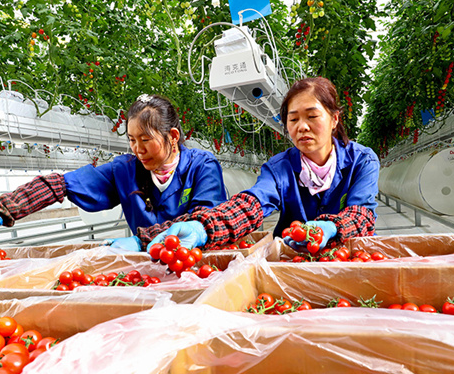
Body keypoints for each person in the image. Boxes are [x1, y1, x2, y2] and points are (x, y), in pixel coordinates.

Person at [0, 94, 228, 253]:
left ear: (173, 136)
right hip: (151, 273)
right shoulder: (126, 170)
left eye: (145, 140)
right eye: (132, 140)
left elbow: (204, 221)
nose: (138, 149)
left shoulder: (202, 166)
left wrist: (140, 241)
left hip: (197, 269)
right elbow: (61, 185)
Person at [142, 77, 379, 253]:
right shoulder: (279, 169)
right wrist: (203, 227)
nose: (302, 126)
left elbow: (362, 215)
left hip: (349, 258)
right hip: (293, 262)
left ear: (334, 119)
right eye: (293, 119)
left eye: (312, 116)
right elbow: (250, 205)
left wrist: (332, 227)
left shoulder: (362, 161)